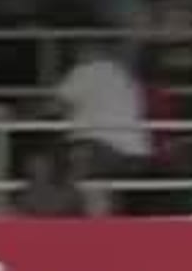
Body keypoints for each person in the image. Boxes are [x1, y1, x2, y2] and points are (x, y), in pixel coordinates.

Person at [56, 38, 156, 212]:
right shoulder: (124, 74)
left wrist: (23, 112)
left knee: (83, 176)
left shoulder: (85, 70)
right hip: (138, 156)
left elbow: (56, 106)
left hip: (102, 152)